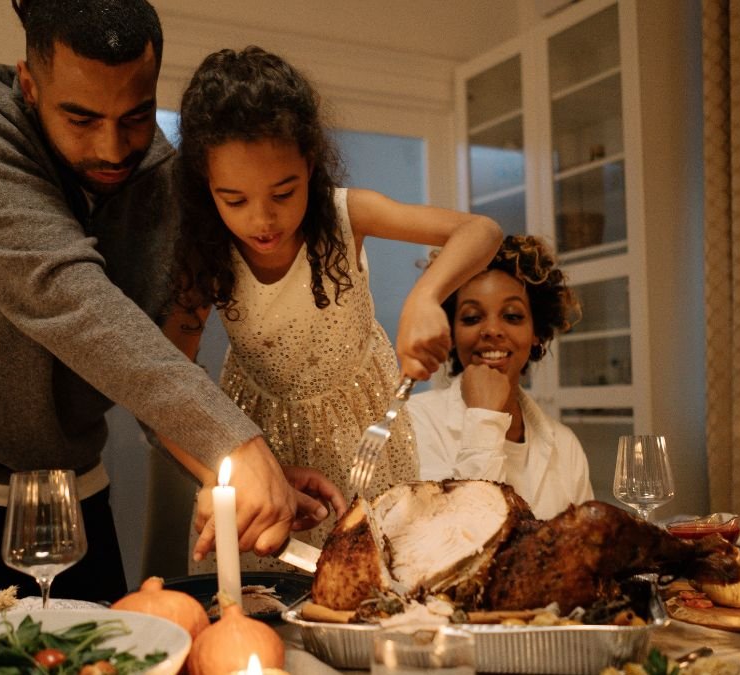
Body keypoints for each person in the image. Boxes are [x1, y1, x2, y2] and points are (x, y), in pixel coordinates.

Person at [0, 1, 333, 603]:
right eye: (80, 118)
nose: (112, 148)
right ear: (29, 84)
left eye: (135, 117)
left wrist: (233, 473)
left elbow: (148, 360)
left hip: (72, 490)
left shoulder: (163, 177)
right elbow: (67, 298)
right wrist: (233, 440)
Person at [163, 46, 503, 569]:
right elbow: (165, 386)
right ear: (206, 187)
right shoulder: (204, 254)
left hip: (366, 436)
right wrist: (222, 474)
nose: (262, 219)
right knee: (262, 598)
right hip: (258, 439)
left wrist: (426, 295)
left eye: (283, 192)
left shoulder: (349, 215)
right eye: (234, 200)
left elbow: (481, 231)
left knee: (373, 589)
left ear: (311, 164)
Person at [408, 235, 593, 519]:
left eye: (512, 316)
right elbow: (455, 545)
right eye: (471, 318)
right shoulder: (415, 423)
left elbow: (584, 552)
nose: (492, 330)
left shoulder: (565, 445)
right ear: (452, 334)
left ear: (536, 334)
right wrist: (483, 417)